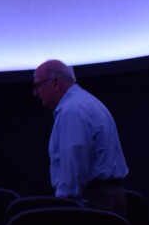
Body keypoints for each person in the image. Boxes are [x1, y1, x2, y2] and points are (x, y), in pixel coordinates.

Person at [33, 59, 129, 216]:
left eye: (38, 86)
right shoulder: (87, 102)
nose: (35, 93)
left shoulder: (72, 110)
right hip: (108, 196)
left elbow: (73, 164)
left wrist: (62, 206)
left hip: (93, 201)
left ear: (56, 83)